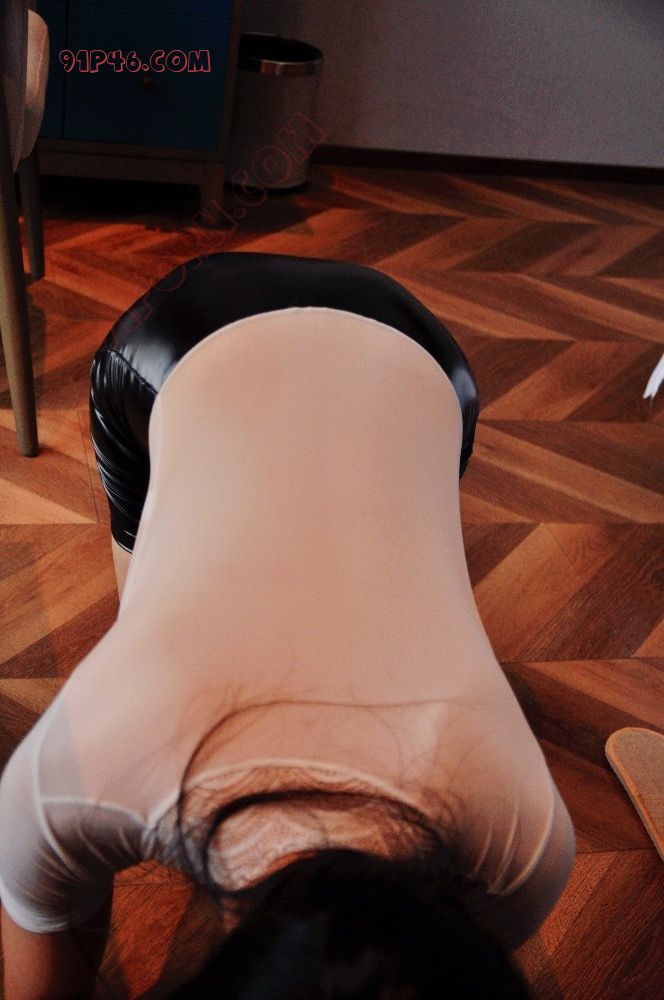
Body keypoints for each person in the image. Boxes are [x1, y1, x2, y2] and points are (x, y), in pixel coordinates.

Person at [0, 253, 575, 999]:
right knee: (141, 595)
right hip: (197, 343)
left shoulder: (527, 849)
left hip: (421, 369)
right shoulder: (77, 781)